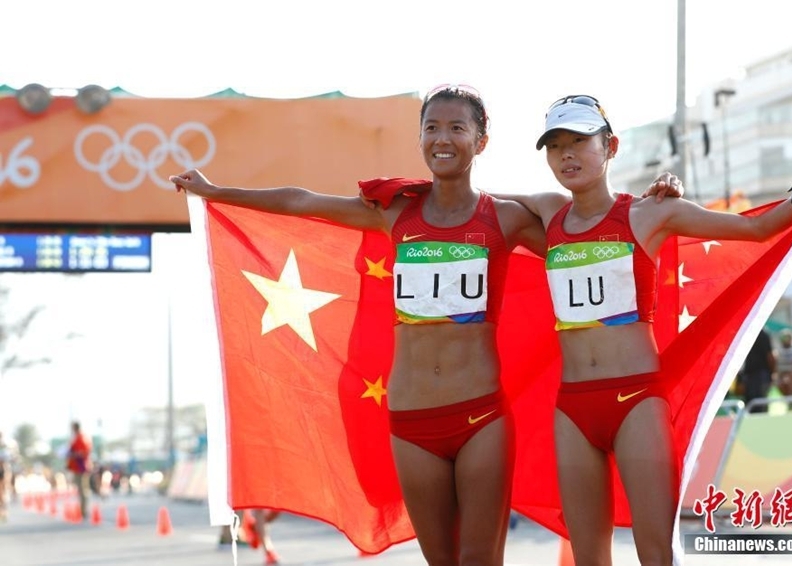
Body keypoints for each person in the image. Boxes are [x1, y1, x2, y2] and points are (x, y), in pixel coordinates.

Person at [170, 85, 682, 566]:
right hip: (411, 421)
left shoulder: (506, 218)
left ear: (480, 141)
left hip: (482, 416)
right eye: (431, 127)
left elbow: (592, 238)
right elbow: (303, 202)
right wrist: (218, 194)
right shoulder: (396, 214)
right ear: (418, 139)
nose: (442, 138)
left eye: (457, 128)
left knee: (479, 560)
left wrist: (653, 201)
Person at [504, 93, 792, 565]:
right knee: (587, 556)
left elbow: (755, 230)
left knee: (656, 552)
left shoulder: (650, 213)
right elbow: (473, 206)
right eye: (555, 144)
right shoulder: (547, 211)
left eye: (580, 140)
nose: (567, 154)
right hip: (572, 407)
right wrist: (410, 195)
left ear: (610, 147)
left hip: (634, 402)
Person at [739, 328, 776, 414]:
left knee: (757, 405)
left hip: (758, 375)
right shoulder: (761, 334)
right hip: (754, 375)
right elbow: (770, 356)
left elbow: (770, 356)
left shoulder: (748, 334)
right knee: (757, 405)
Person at [66, 421, 93, 519]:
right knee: (80, 489)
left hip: (81, 466)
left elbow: (84, 452)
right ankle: (83, 510)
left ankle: (84, 510)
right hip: (76, 467)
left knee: (83, 489)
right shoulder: (77, 438)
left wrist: (74, 454)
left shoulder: (82, 438)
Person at [0, 431, 10, 522]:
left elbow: (6, 460)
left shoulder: (3, 447)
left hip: (1, 471)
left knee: (2, 492)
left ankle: (4, 511)